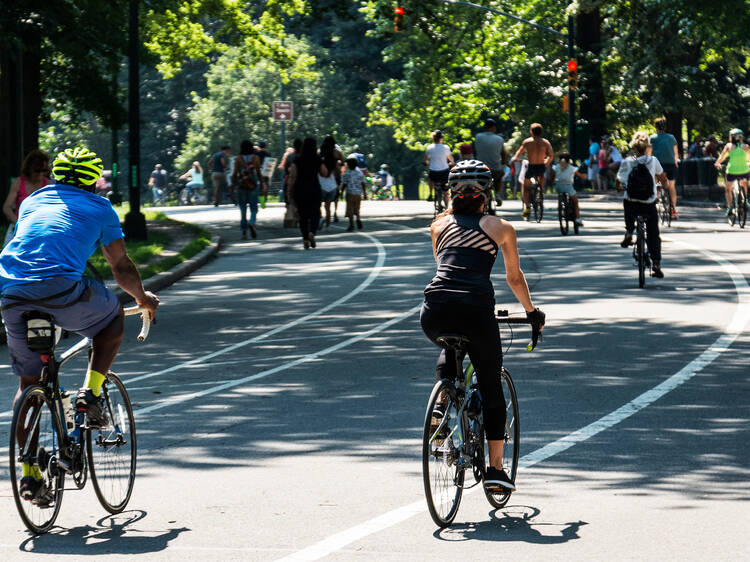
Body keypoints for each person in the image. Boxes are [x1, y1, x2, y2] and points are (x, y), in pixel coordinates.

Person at [0, 147, 159, 503]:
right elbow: (120, 267)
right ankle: (91, 392)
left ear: (55, 175)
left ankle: (28, 472)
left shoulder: (33, 201)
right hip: (62, 289)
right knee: (112, 320)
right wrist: (142, 298)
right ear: (93, 181)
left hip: (11, 291)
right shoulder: (101, 207)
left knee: (28, 381)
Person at [420, 159, 545, 493]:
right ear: (486, 192)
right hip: (475, 311)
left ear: (451, 192)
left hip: (433, 311)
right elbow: (514, 278)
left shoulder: (439, 225)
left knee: (450, 346)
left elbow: (447, 269)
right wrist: (532, 312)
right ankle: (495, 470)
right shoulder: (500, 227)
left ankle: (442, 404)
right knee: (491, 387)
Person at [616, 132, 668, 278]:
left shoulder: (627, 161)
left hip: (632, 201)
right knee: (653, 233)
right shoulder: (653, 161)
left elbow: (619, 181)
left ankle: (628, 232)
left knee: (627, 202)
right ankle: (656, 263)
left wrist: (619, 187)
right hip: (648, 201)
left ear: (633, 147)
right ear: (647, 147)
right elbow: (663, 177)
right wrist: (664, 186)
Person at [3, 150, 51, 247]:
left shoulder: (49, 185)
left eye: (44, 170)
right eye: (37, 171)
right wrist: (18, 223)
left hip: (39, 230)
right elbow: (7, 208)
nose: (41, 174)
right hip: (17, 227)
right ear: (29, 168)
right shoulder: (18, 182)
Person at [510, 123, 554, 219]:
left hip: (531, 167)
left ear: (531, 132)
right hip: (541, 166)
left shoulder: (527, 142)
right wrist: (546, 162)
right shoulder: (545, 142)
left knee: (525, 188)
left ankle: (527, 207)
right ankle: (541, 194)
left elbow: (519, 153)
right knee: (541, 178)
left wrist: (516, 158)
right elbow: (551, 155)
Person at [289, 138, 326, 249]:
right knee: (315, 213)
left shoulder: (297, 159)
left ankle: (305, 238)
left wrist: (290, 192)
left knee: (303, 215)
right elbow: (325, 173)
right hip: (314, 188)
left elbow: (293, 176)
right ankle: (312, 233)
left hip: (300, 189)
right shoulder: (317, 159)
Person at [650, 117, 679, 219]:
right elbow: (676, 154)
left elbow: (649, 153)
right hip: (671, 165)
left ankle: (656, 198)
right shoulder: (671, 138)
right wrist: (676, 162)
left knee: (655, 183)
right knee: (671, 187)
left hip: (658, 165)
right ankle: (674, 210)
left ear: (656, 127)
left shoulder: (652, 138)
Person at [715, 128, 750, 215]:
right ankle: (746, 200)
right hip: (744, 171)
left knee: (728, 189)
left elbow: (722, 157)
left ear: (731, 137)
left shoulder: (729, 146)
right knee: (744, 183)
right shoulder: (746, 147)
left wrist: (717, 163)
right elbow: (749, 158)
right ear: (741, 137)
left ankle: (730, 206)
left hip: (732, 171)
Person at [474, 118, 507, 207]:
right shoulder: (499, 139)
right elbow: (503, 153)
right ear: (493, 127)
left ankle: (479, 195)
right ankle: (497, 194)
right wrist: (503, 164)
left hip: (480, 168)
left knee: (479, 182)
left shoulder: (478, 136)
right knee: (499, 176)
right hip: (495, 168)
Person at [232, 140, 261, 240]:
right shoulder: (256, 158)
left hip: (241, 186)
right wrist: (261, 183)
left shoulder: (238, 159)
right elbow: (258, 172)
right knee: (254, 208)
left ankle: (244, 232)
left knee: (243, 209)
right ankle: (252, 222)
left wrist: (232, 185)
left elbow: (235, 173)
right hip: (253, 185)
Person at [424, 130, 454, 207]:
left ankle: (430, 194)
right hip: (444, 172)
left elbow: (426, 160)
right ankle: (447, 207)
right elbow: (451, 159)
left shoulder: (429, 148)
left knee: (430, 179)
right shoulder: (445, 147)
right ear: (441, 138)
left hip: (434, 172)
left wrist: (426, 163)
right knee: (446, 191)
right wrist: (451, 163)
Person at [319, 136, 343, 229]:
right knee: (328, 205)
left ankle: (320, 217)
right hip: (334, 178)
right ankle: (328, 225)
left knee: (319, 203)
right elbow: (343, 162)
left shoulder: (320, 152)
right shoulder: (336, 152)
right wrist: (337, 164)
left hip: (321, 179)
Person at [552, 153, 583, 226]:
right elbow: (580, 175)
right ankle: (578, 218)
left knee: (561, 194)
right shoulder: (572, 168)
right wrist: (585, 176)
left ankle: (561, 204)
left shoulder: (556, 167)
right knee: (575, 201)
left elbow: (552, 176)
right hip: (568, 186)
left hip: (558, 187)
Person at [342, 157, 367, 231]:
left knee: (350, 209)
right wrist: (365, 193)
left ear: (349, 165)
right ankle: (358, 218)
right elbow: (363, 183)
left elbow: (344, 184)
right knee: (357, 208)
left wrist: (341, 192)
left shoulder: (347, 174)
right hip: (358, 193)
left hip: (350, 193)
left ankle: (351, 224)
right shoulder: (360, 173)